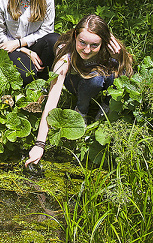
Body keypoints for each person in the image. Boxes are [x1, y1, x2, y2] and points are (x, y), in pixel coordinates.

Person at [24, 14, 133, 167]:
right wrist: (39, 144)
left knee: (117, 68)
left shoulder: (109, 49)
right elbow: (51, 101)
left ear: (104, 42)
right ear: (75, 36)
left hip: (99, 75)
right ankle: (81, 109)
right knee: (94, 80)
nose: (87, 50)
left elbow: (128, 76)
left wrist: (120, 57)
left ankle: (107, 106)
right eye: (82, 43)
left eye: (94, 45)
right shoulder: (65, 57)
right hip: (78, 82)